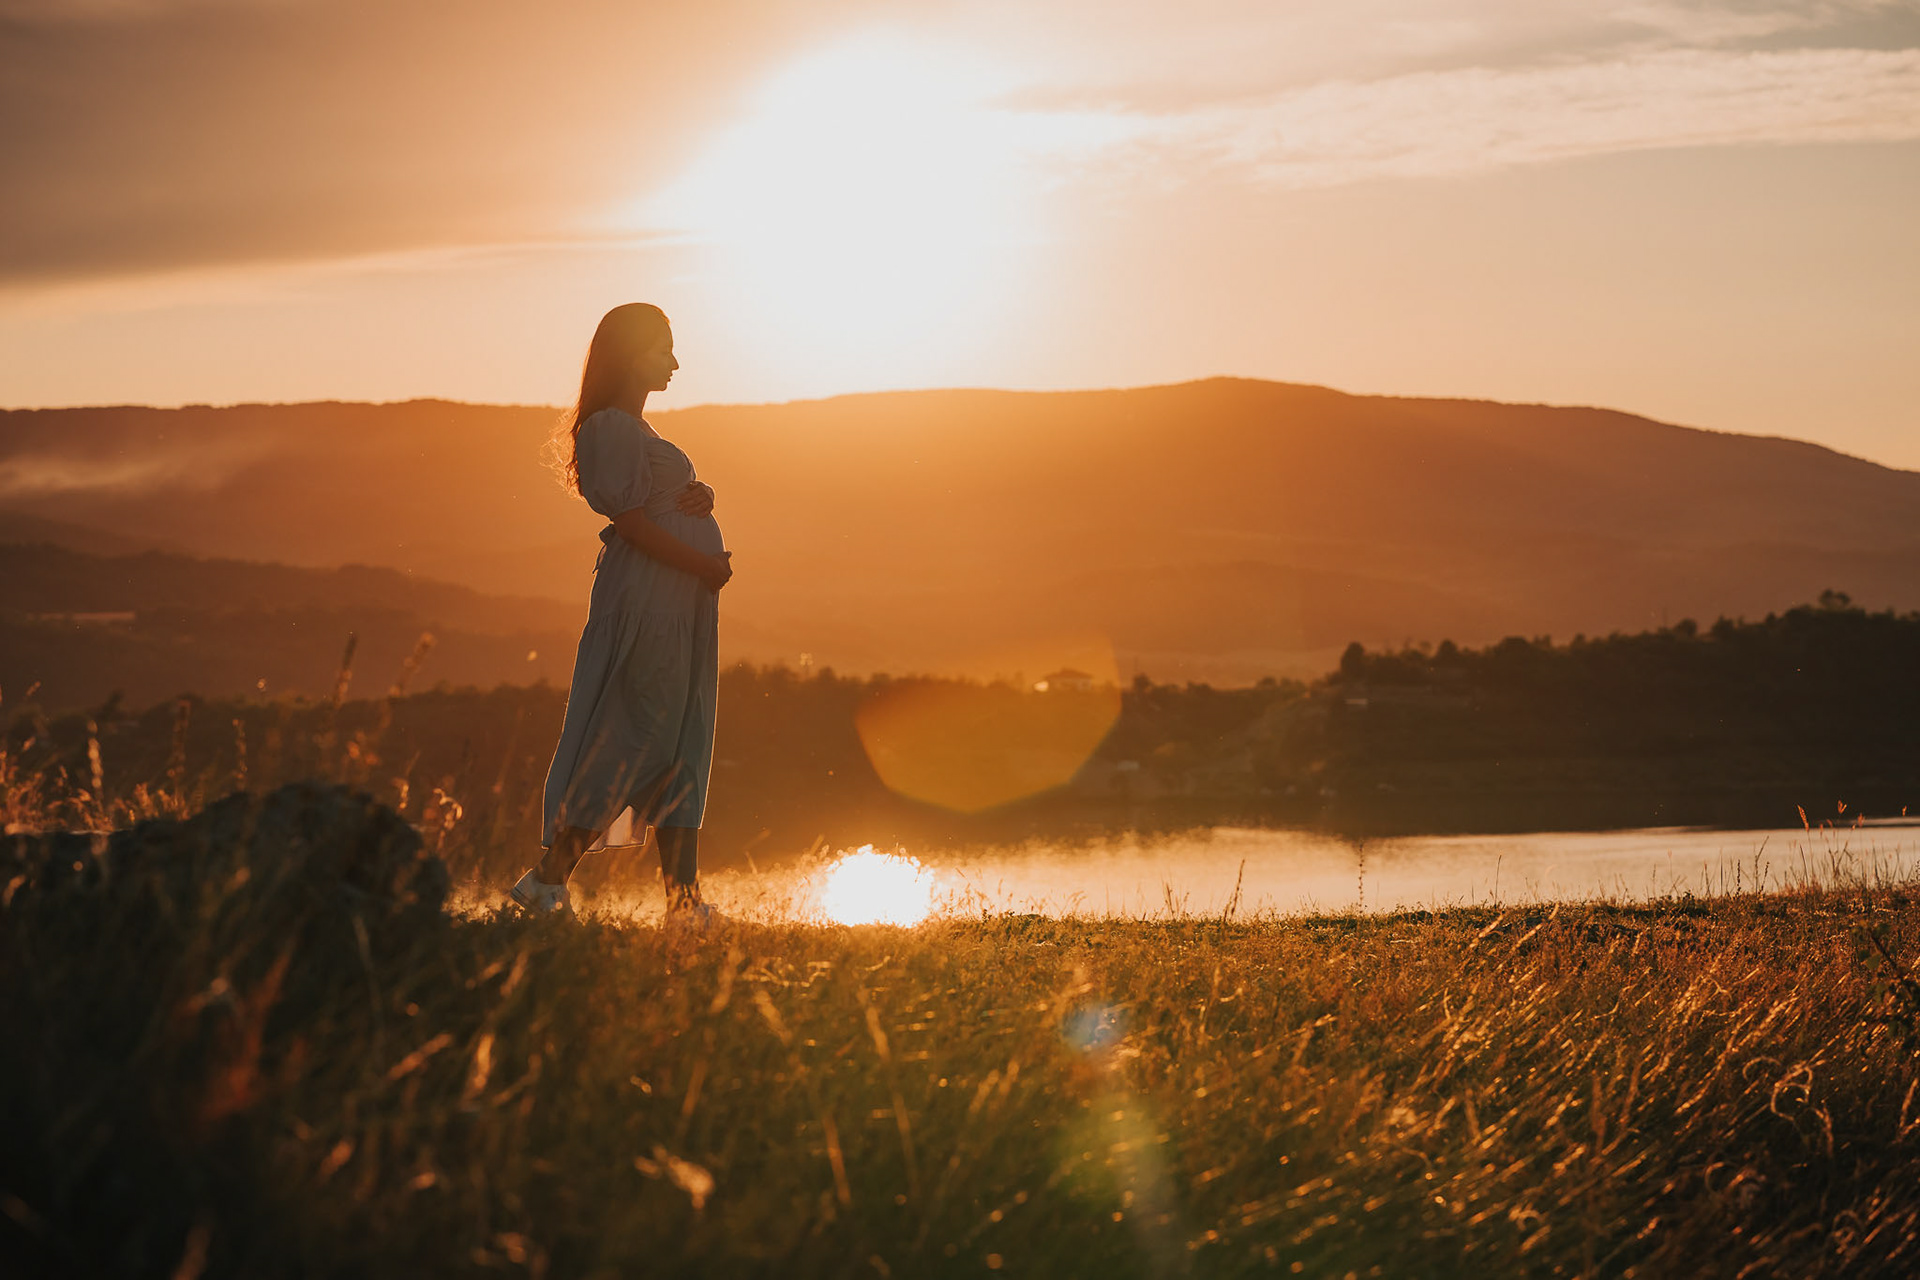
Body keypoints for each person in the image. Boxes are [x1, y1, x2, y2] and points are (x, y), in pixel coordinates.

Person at [509, 303, 733, 925]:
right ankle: (546, 882)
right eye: (663, 349)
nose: (675, 362)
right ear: (630, 355)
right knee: (640, 736)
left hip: (677, 604)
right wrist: (701, 565)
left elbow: (653, 502)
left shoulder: (640, 431)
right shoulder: (610, 425)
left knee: (680, 742)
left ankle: (682, 903)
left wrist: (699, 497)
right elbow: (629, 522)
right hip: (651, 603)